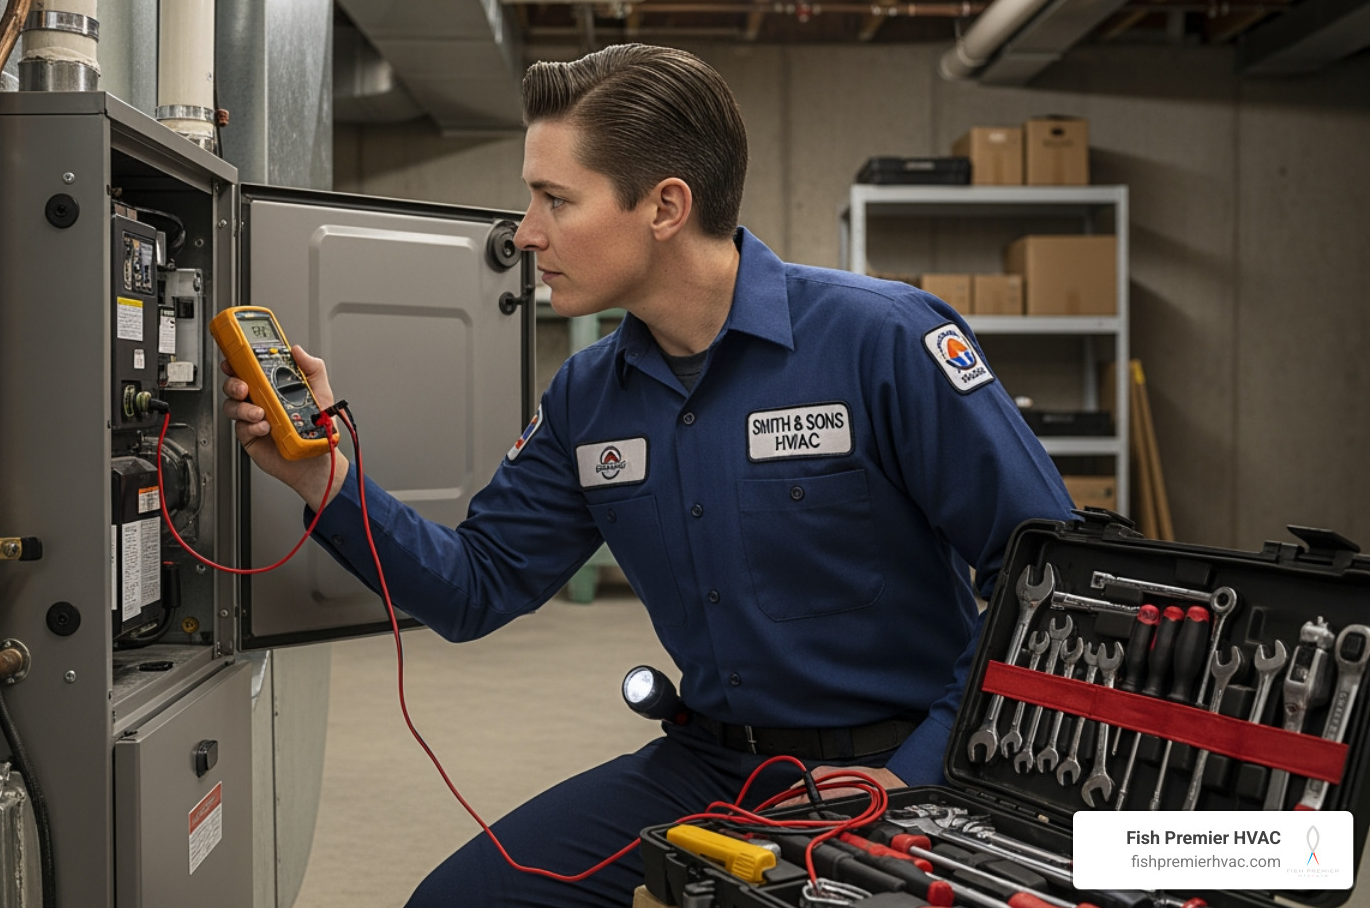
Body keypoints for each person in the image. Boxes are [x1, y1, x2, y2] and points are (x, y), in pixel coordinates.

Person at [223, 44, 1075, 906]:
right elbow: (473, 588)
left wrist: (920, 772)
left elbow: (1045, 572)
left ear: (666, 206)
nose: (525, 232)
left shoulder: (883, 339)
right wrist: (322, 477)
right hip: (707, 769)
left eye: (556, 198)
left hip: (899, 771)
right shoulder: (588, 397)